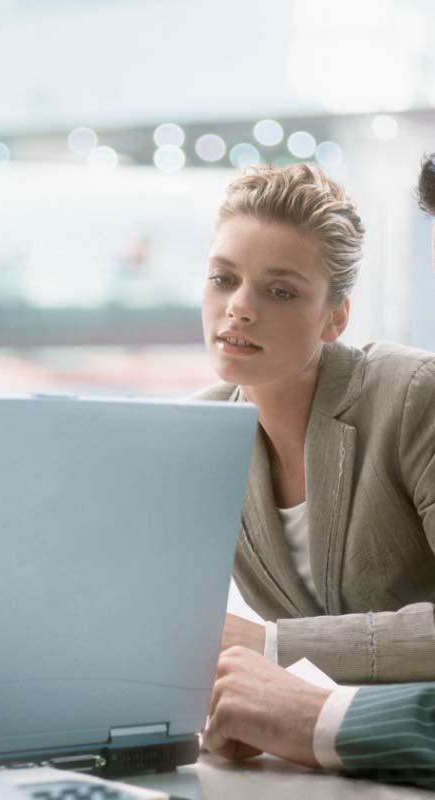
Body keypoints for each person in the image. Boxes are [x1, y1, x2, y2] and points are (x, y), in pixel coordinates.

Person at [204, 155, 435, 789]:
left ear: (336, 317)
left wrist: (270, 647)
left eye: (280, 291)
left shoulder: (413, 396)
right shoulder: (197, 435)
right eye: (224, 279)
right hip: (308, 768)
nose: (240, 309)